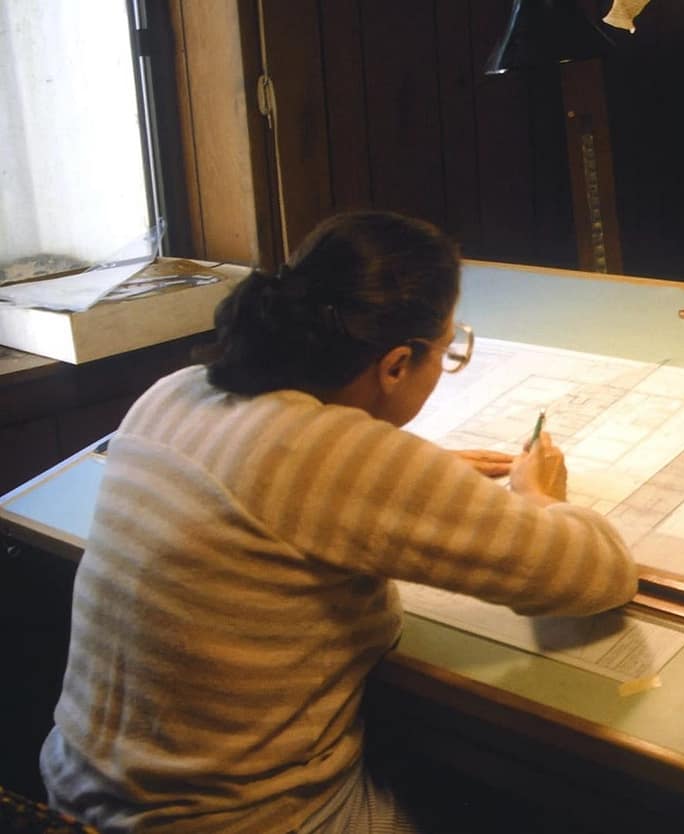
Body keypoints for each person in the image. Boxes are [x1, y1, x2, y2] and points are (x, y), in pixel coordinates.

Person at [39, 210, 637, 833]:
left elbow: (288, 477)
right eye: (447, 348)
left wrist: (399, 470)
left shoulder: (173, 393)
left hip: (74, 798)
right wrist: (536, 495)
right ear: (397, 364)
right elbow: (597, 574)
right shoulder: (341, 460)